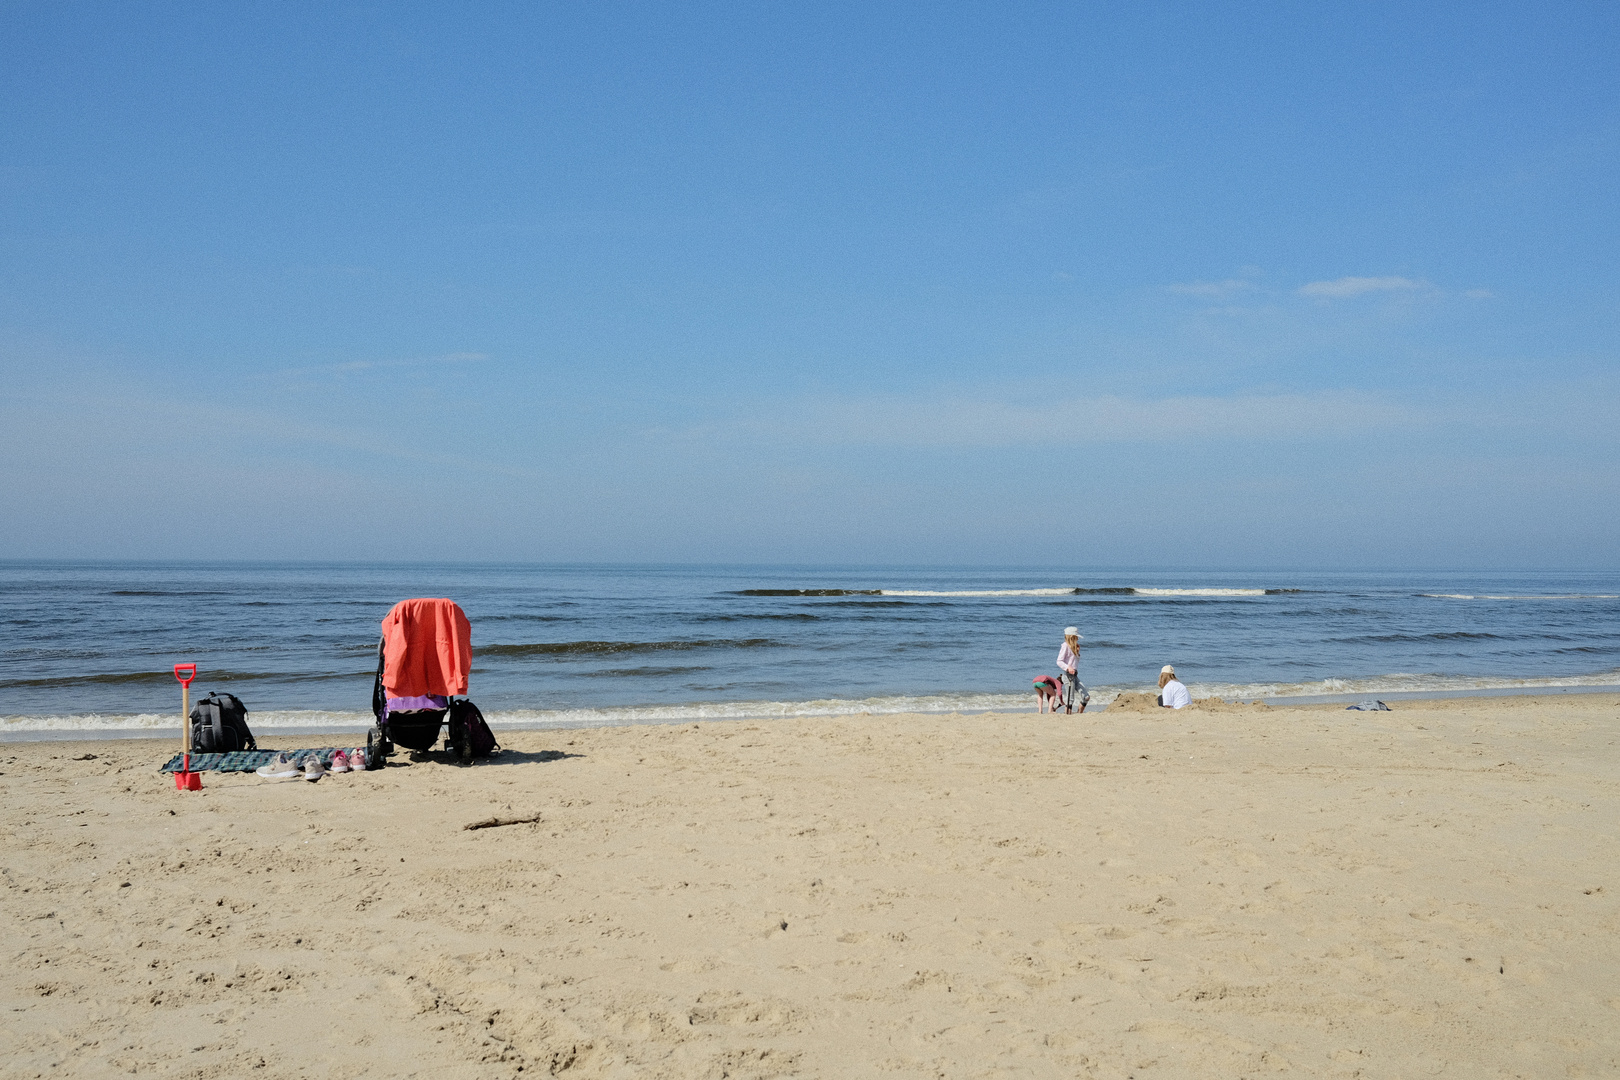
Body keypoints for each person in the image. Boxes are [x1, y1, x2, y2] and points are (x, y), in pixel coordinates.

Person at [1057, 627, 1089, 713]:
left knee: (1086, 696)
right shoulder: (1065, 646)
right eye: (1076, 636)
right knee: (1070, 700)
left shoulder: (1074, 647)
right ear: (1071, 637)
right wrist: (1068, 667)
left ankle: (1079, 713)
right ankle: (1068, 716)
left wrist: (1077, 652)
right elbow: (1059, 661)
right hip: (1067, 676)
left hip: (1075, 675)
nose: (1077, 638)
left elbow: (1074, 662)